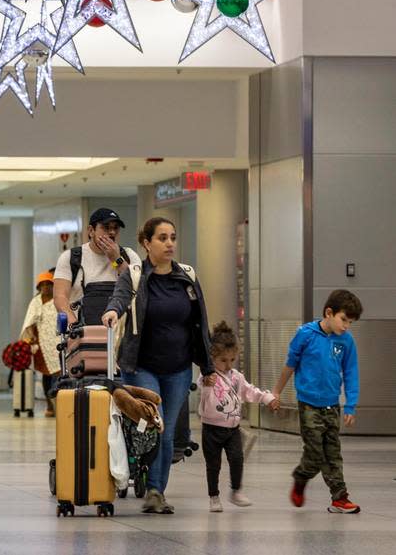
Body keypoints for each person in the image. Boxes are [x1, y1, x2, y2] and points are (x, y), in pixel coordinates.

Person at [102, 216, 214, 515]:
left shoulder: (187, 276)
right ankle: (146, 481)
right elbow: (120, 297)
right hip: (141, 366)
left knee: (165, 435)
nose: (169, 244)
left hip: (178, 369)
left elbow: (200, 324)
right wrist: (113, 312)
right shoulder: (135, 275)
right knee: (155, 425)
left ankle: (155, 491)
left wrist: (208, 365)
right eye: (162, 238)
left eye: (172, 237)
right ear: (146, 243)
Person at [272, 289, 362, 514]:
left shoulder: (346, 341)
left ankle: (340, 498)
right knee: (314, 454)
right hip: (309, 404)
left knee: (333, 453)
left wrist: (350, 404)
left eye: (350, 322)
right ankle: (301, 477)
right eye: (343, 320)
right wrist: (276, 392)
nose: (346, 326)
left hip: (332, 405)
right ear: (329, 313)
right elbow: (290, 365)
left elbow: (351, 372)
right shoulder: (305, 334)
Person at [199, 321, 279, 512]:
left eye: (232, 360)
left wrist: (267, 398)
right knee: (213, 464)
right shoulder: (206, 377)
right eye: (223, 360)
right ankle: (214, 496)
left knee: (237, 458)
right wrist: (207, 384)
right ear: (212, 358)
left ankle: (236, 490)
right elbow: (203, 399)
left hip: (233, 428)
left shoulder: (236, 377)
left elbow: (250, 391)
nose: (228, 365)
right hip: (211, 428)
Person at [56, 208, 142, 327]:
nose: (112, 232)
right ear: (91, 231)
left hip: (120, 333)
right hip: (82, 334)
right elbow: (60, 297)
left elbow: (137, 289)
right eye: (106, 227)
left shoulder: (129, 256)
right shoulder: (71, 257)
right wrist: (74, 327)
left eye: (116, 228)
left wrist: (116, 259)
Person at [21, 269, 62, 417]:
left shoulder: (58, 300)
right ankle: (49, 404)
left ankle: (60, 404)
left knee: (59, 374)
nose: (46, 287)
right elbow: (29, 321)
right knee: (46, 375)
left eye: (48, 284)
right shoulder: (35, 302)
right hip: (41, 344)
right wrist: (31, 338)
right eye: (42, 285)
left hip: (57, 342)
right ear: (39, 287)